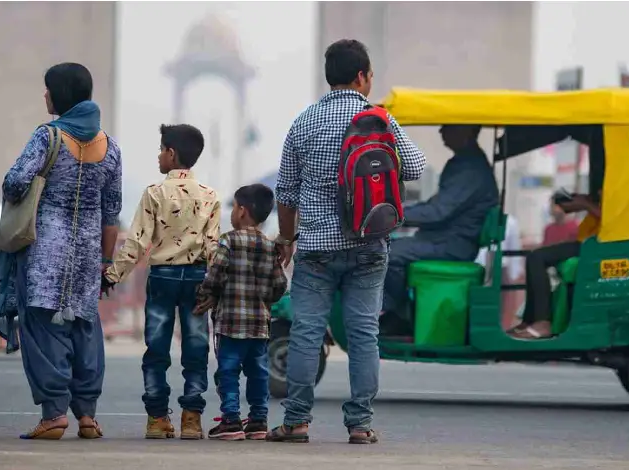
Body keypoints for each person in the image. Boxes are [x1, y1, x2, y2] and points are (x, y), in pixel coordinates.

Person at [268, 39, 426, 444]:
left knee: (305, 332)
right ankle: (360, 424)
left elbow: (285, 195)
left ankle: (297, 421)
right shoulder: (379, 120)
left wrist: (287, 239)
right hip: (369, 244)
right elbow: (416, 167)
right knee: (362, 334)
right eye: (370, 75)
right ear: (361, 76)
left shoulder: (304, 122)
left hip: (317, 249)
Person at [0, 63, 122, 439]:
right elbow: (111, 212)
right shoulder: (111, 147)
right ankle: (87, 417)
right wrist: (106, 263)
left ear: (59, 94)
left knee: (43, 328)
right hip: (86, 257)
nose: (44, 96)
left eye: (47, 89)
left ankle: (53, 414)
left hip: (45, 254)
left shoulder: (47, 137)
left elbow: (15, 181)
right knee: (84, 328)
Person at [104, 124, 220, 440]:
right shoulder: (209, 196)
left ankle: (157, 418)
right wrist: (217, 287)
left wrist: (113, 274)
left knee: (156, 349)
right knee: (195, 350)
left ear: (170, 153)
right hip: (197, 280)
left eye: (160, 150)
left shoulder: (154, 194)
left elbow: (138, 243)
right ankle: (192, 419)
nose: (158, 156)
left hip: (162, 278)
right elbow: (213, 248)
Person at [380, 124, 499, 336]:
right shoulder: (463, 163)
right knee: (387, 248)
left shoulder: (470, 170)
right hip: (442, 239)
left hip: (452, 244)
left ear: (467, 131)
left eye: (449, 127)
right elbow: (434, 206)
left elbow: (438, 212)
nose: (441, 132)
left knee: (388, 254)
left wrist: (393, 215)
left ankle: (397, 314)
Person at [194, 184, 288, 441]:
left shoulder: (228, 241)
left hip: (231, 323)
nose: (233, 212)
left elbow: (216, 274)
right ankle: (258, 421)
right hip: (259, 326)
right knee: (258, 371)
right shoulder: (270, 247)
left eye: (234, 207)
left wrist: (206, 294)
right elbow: (280, 285)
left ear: (242, 211)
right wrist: (266, 299)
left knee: (228, 370)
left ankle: (231, 420)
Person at [511, 192, 601, 339]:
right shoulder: (550, 228)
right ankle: (530, 321)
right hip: (587, 240)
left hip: (596, 245)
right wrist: (579, 202)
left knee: (537, 257)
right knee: (535, 257)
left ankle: (542, 322)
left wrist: (586, 205)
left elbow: (610, 221)